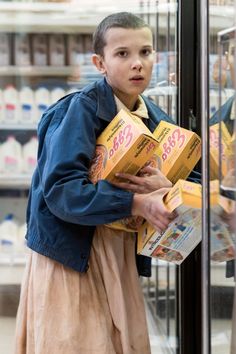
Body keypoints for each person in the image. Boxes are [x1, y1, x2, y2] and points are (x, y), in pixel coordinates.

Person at [14, 12, 177, 354]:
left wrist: (169, 185)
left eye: (145, 52)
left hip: (118, 255)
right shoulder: (78, 111)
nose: (137, 64)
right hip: (70, 256)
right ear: (99, 63)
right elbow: (62, 192)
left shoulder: (156, 118)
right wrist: (134, 203)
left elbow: (189, 175)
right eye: (122, 54)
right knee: (77, 342)